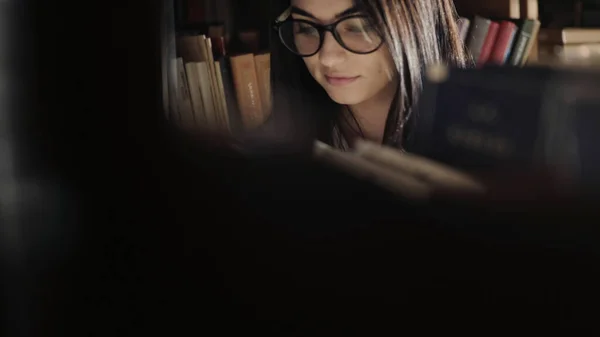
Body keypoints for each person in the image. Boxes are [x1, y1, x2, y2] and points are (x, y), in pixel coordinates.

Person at [260, 0, 470, 152]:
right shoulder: (284, 137)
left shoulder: (468, 140)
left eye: (359, 27)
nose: (327, 58)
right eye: (306, 28)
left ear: (415, 24)